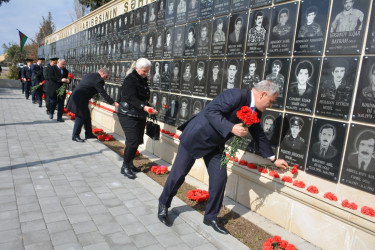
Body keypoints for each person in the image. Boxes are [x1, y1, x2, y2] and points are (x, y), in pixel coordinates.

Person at [157, 80, 288, 234]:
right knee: (178, 174)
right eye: (271, 101)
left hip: (215, 144)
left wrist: (273, 159)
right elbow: (210, 111)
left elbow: (258, 134)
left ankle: (210, 216)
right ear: (263, 94)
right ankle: (164, 204)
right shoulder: (235, 95)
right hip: (197, 137)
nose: (271, 106)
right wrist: (232, 127)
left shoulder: (256, 110)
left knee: (220, 178)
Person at [117, 58, 158, 179]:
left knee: (137, 140)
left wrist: (149, 107)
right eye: (144, 71)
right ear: (137, 68)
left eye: (147, 71)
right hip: (127, 114)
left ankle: (130, 163)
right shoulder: (130, 79)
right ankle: (124, 166)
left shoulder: (142, 79)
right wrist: (144, 107)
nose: (146, 74)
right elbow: (129, 97)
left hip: (139, 113)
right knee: (133, 140)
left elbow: (142, 97)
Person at [67, 68, 119, 142]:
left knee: (87, 116)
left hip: (79, 97)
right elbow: (103, 93)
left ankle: (88, 134)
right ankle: (75, 135)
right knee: (80, 116)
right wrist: (113, 103)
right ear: (102, 73)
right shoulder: (98, 80)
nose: (106, 79)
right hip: (80, 99)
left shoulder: (91, 75)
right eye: (106, 76)